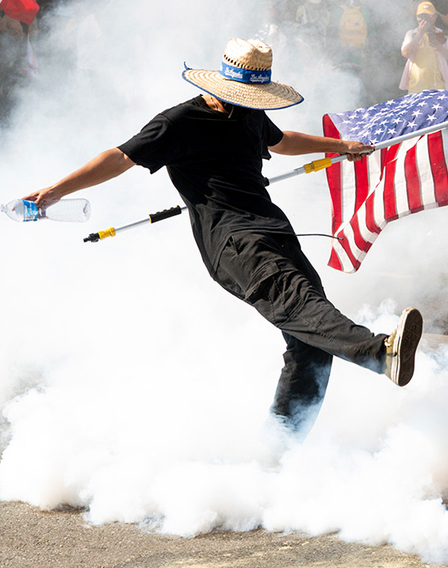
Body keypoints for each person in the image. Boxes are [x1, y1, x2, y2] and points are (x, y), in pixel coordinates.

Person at [21, 38, 423, 438]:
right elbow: (120, 157)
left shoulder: (249, 113)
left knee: (310, 341)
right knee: (298, 302)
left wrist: (340, 146)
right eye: (246, 95)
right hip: (232, 243)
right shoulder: (178, 122)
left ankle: (279, 449)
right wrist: (58, 190)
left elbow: (281, 142)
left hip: (273, 229)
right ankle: (379, 352)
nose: (252, 102)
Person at [399, 1, 448, 93]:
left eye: (427, 17)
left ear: (434, 18)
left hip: (438, 90)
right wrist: (419, 34)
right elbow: (405, 53)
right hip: (415, 90)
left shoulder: (443, 35)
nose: (424, 20)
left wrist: (441, 49)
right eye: (420, 17)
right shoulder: (411, 34)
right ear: (417, 18)